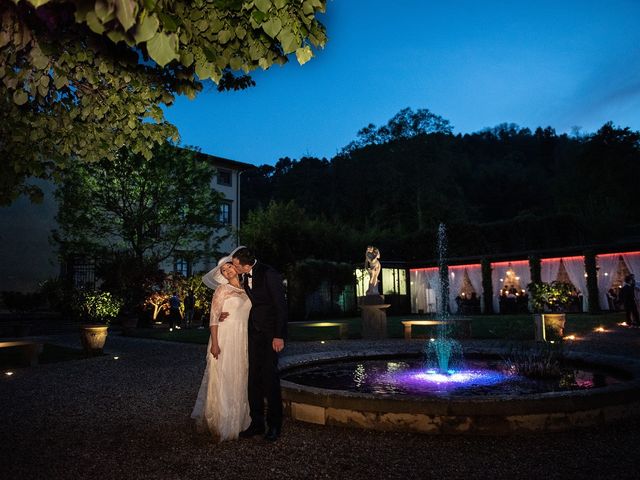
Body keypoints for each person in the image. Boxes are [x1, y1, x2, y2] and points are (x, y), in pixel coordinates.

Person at [229, 247, 288, 442]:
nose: (234, 267)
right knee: (253, 379)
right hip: (253, 334)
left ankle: (274, 426)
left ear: (246, 264)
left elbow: (281, 306)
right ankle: (256, 424)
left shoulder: (269, 274)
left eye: (236, 264)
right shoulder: (243, 276)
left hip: (271, 335)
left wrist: (279, 335)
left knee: (270, 379)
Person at [191, 254, 251, 441]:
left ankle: (239, 421)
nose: (227, 272)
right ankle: (222, 422)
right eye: (223, 271)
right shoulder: (222, 290)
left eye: (229, 267)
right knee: (223, 375)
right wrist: (215, 344)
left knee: (240, 375)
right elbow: (213, 319)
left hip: (242, 337)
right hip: (225, 337)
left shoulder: (248, 289)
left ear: (236, 267)